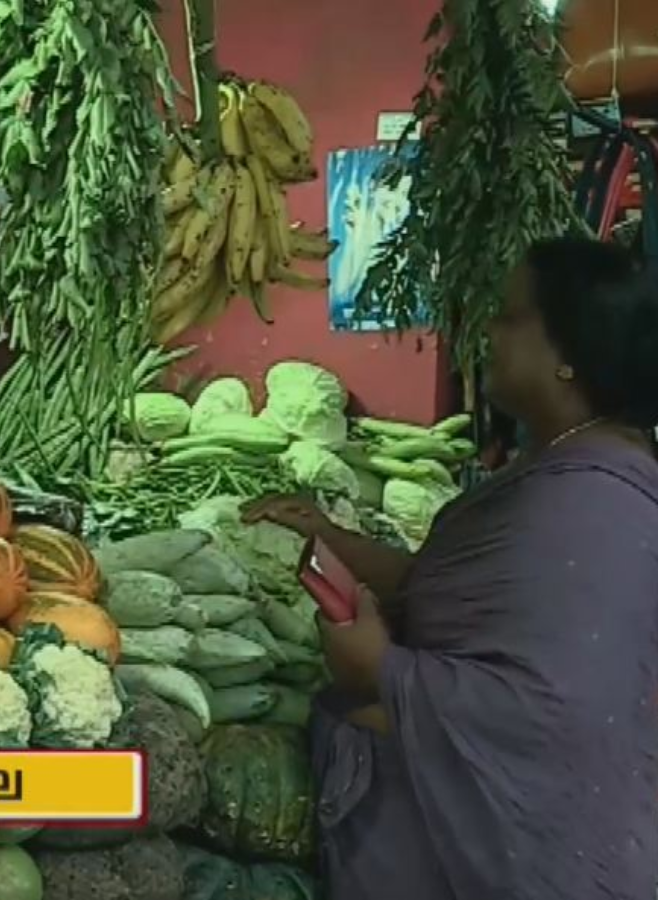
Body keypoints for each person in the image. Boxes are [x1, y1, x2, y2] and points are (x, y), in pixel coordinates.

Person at [244, 236, 658, 900]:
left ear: (568, 356)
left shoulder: (592, 502)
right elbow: (448, 587)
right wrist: (330, 538)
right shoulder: (562, 461)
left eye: (511, 317)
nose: (488, 331)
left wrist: (381, 669)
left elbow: (556, 714)